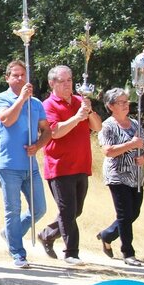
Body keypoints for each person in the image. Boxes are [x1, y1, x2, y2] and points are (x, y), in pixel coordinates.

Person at [38, 65, 101, 266]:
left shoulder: (79, 102)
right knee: (67, 211)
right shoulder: (47, 105)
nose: (67, 85)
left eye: (70, 80)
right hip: (60, 166)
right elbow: (56, 132)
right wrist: (77, 117)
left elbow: (97, 126)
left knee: (76, 211)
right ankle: (71, 252)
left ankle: (47, 234)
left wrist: (88, 111)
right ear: (52, 83)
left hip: (82, 165)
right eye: (62, 81)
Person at [0, 59, 51, 268]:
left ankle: (11, 233)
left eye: (23, 75)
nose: (20, 78)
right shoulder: (1, 99)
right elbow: (7, 119)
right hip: (8, 164)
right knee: (13, 209)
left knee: (39, 208)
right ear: (7, 78)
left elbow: (47, 130)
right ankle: (18, 252)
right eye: (15, 75)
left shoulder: (36, 104)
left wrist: (38, 145)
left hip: (30, 165)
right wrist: (21, 99)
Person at [96, 88, 144, 267]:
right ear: (111, 106)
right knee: (125, 214)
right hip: (118, 175)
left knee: (134, 212)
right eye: (122, 102)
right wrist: (131, 144)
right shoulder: (107, 126)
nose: (126, 105)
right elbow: (108, 151)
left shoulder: (135, 123)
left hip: (137, 175)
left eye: (127, 101)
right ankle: (128, 252)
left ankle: (107, 235)